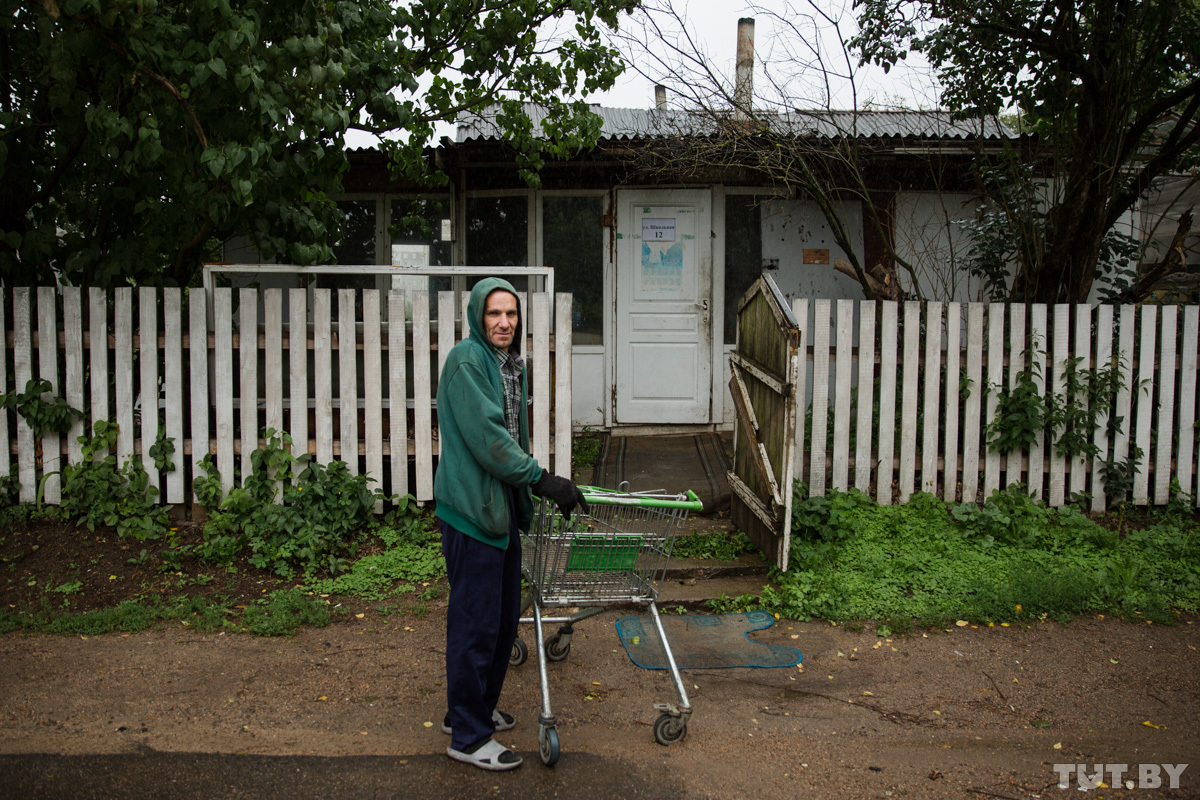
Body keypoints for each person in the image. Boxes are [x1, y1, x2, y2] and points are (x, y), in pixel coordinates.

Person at [433, 277, 588, 771]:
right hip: (471, 512)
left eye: (512, 314)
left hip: (498, 511)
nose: (504, 323)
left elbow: (512, 436)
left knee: (501, 623)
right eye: (494, 313)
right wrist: (542, 480)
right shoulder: (467, 361)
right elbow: (491, 440)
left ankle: (471, 712)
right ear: (478, 316)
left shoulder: (509, 364)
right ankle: (467, 737)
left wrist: (529, 491)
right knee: (476, 625)